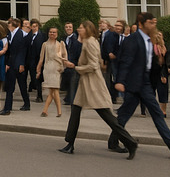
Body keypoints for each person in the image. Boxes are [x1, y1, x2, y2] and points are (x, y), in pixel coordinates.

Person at [108, 12, 170, 159]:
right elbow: (125, 61)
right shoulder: (132, 40)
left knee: (157, 114)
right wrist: (120, 81)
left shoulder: (150, 40)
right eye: (150, 23)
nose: (153, 25)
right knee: (124, 116)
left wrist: (161, 69)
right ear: (141, 24)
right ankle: (113, 142)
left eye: (154, 23)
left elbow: (149, 63)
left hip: (145, 83)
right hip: (133, 84)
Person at [58, 20, 138, 157]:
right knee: (75, 111)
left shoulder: (89, 42)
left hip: (92, 83)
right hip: (86, 83)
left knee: (106, 115)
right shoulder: (89, 41)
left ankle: (130, 142)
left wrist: (75, 67)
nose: (79, 29)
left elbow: (94, 65)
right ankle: (69, 143)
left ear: (87, 29)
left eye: (81, 28)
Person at [0, 17, 30, 115]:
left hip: (18, 64)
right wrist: (7, 63)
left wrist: (22, 64)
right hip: (12, 64)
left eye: (9, 24)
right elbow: (10, 51)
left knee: (22, 85)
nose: (8, 26)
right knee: (10, 87)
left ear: (13, 26)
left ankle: (27, 104)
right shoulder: (10, 35)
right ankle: (7, 108)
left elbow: (23, 51)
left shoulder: (21, 34)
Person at [36, 26, 67, 117]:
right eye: (50, 32)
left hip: (57, 68)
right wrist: (38, 70)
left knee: (54, 89)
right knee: (53, 90)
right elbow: (41, 58)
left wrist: (64, 65)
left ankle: (47, 110)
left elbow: (65, 56)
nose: (52, 34)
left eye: (54, 32)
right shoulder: (44, 44)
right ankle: (57, 111)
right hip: (48, 68)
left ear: (57, 34)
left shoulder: (60, 44)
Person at [60, 21, 82, 105]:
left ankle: (71, 99)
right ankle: (68, 98)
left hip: (73, 63)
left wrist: (74, 63)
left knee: (73, 82)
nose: (68, 28)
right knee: (68, 82)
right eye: (66, 27)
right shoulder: (63, 39)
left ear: (73, 29)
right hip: (65, 63)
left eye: (70, 27)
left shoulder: (76, 39)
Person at [26, 19, 45, 103]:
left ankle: (39, 96)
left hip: (38, 60)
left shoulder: (42, 36)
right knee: (33, 77)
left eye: (36, 26)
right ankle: (31, 87)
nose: (34, 28)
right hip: (30, 60)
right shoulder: (28, 36)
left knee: (38, 79)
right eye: (33, 26)